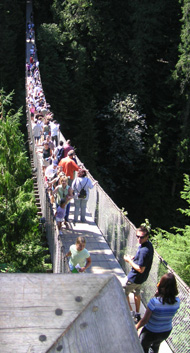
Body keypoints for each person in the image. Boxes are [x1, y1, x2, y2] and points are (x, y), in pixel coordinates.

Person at [136, 273, 180, 353]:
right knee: (155, 347)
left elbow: (145, 320)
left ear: (161, 286)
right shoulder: (177, 301)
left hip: (150, 332)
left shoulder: (154, 302)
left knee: (143, 348)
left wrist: (136, 327)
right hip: (165, 331)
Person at [124, 226, 154, 324]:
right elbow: (144, 261)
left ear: (147, 236)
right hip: (142, 279)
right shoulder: (148, 245)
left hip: (134, 278)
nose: (139, 239)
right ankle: (137, 313)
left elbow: (140, 269)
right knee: (137, 294)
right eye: (137, 236)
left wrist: (129, 261)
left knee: (123, 293)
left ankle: (131, 313)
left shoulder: (144, 251)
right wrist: (135, 258)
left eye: (141, 237)